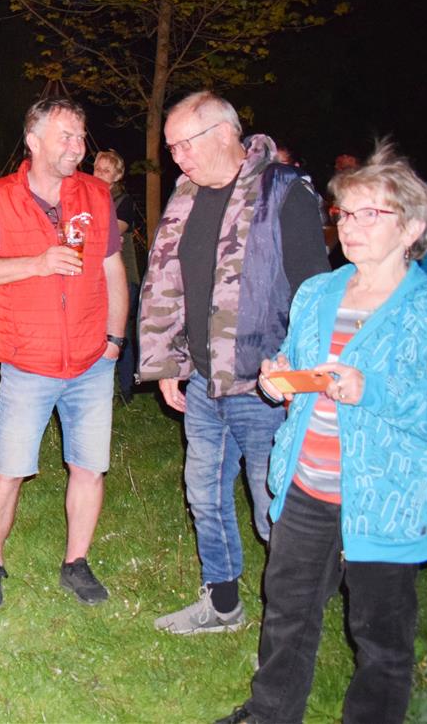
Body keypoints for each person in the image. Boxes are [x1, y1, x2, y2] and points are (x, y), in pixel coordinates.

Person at [215, 142, 427, 724]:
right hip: (307, 482)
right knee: (287, 610)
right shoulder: (318, 293)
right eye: (345, 213)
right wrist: (278, 379)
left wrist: (371, 390)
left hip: (384, 497)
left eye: (370, 214)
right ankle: (270, 713)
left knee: (380, 635)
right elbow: (295, 364)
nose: (350, 227)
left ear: (412, 226)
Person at [138, 91, 329, 634]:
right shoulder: (186, 196)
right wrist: (170, 361)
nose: (178, 158)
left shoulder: (282, 192)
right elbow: (173, 286)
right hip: (203, 380)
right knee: (204, 495)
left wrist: (297, 374)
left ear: (225, 133)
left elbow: (314, 295)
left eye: (185, 144)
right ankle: (222, 604)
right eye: (172, 148)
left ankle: (296, 617)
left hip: (264, 386)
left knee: (274, 506)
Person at [0, 97, 128, 609]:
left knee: (89, 467)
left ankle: (77, 562)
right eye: (65, 137)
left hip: (91, 361)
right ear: (33, 141)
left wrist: (115, 340)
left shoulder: (96, 194)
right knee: (9, 468)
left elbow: (113, 270)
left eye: (80, 136)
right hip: (28, 360)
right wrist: (36, 263)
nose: (77, 147)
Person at [93, 149, 140, 403]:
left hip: (122, 279)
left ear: (117, 175)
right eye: (97, 168)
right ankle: (98, 387)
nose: (100, 174)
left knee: (120, 334)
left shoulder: (123, 202)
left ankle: (126, 389)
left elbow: (110, 232)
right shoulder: (87, 196)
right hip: (94, 279)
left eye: (106, 170)